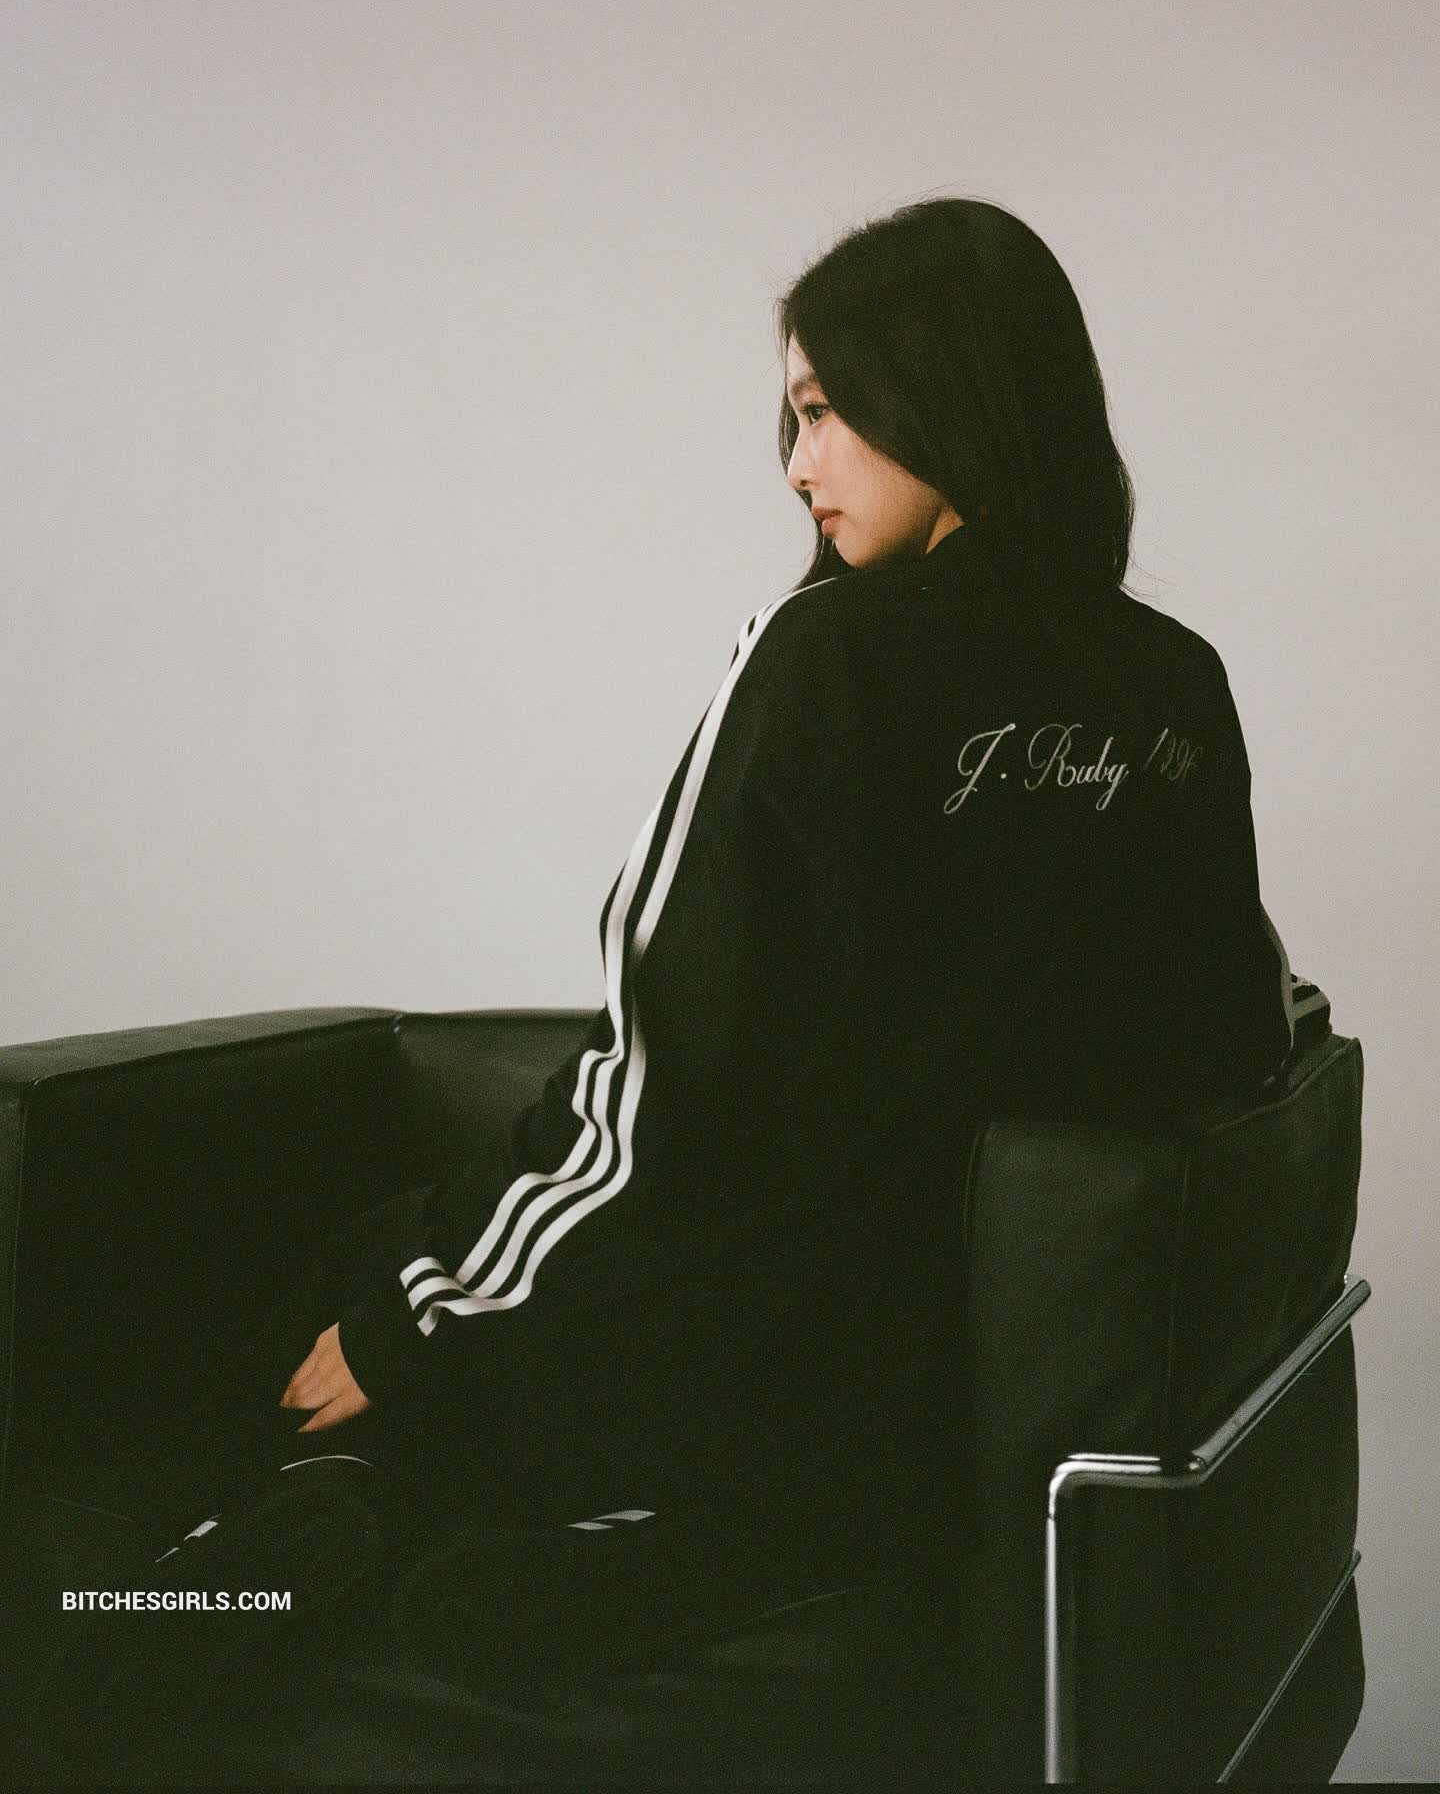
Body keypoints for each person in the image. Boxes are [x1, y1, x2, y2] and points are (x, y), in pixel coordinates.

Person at [26, 195, 1298, 1775]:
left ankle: (216, 1575)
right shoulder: (1176, 687)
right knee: (470, 1331)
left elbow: (654, 1080)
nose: (798, 465)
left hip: (718, 1333)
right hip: (923, 1399)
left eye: (823, 410)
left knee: (330, 1295)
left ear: (946, 391)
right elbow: (1236, 1031)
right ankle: (645, 1534)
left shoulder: (825, 657)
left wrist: (408, 1314)